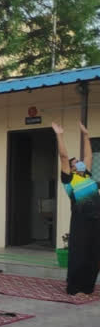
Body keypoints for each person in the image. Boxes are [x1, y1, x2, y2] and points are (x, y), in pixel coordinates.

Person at [53, 121, 100, 295]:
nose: (78, 163)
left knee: (94, 254)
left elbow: (89, 156)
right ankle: (74, 287)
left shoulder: (86, 174)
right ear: (71, 169)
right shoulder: (68, 180)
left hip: (97, 218)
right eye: (75, 163)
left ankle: (88, 287)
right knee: (79, 254)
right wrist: (59, 135)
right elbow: (64, 157)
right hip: (80, 220)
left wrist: (86, 135)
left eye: (79, 161)